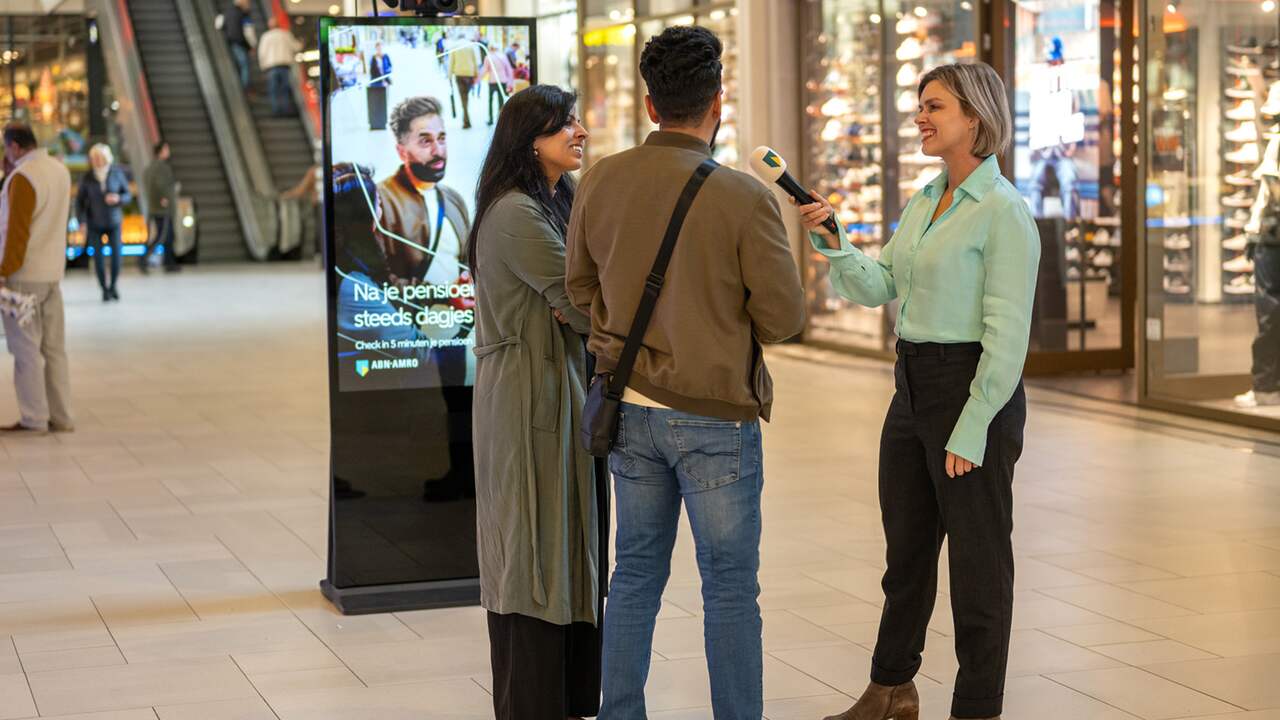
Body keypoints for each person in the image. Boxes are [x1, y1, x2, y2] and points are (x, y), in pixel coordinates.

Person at [565, 26, 805, 720]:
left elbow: (579, 290)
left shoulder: (601, 179)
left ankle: (621, 713)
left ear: (649, 105)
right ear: (717, 104)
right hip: (715, 419)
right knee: (728, 587)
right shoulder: (743, 197)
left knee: (634, 574)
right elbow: (784, 317)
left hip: (627, 411)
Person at [796, 62, 1038, 720]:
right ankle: (891, 688)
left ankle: (976, 709)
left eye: (933, 106)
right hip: (911, 387)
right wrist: (837, 244)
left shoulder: (1004, 213)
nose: (920, 117)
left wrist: (974, 423)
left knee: (978, 569)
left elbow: (1007, 337)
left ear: (975, 119)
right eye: (920, 106)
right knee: (905, 554)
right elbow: (880, 285)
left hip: (971, 391)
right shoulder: (928, 197)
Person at [469, 84, 601, 720]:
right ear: (530, 141)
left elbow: (582, 293)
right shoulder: (515, 212)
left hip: (563, 386)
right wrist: (579, 301)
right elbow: (581, 299)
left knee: (565, 541)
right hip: (526, 396)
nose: (578, 131)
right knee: (531, 546)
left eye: (575, 120)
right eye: (563, 124)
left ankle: (570, 699)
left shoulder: (561, 199)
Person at [0, 123, 74, 435]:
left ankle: (34, 418)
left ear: (15, 147)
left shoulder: (24, 178)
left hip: (23, 278)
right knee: (54, 349)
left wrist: (3, 274)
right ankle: (62, 417)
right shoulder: (59, 171)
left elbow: (17, 233)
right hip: (52, 274)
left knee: (26, 349)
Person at [1238, 140, 1280, 408]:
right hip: (1270, 236)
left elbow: (1272, 190)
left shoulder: (1277, 141)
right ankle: (1266, 386)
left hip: (1273, 238)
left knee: (1270, 312)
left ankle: (1266, 387)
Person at [77, 144, 132, 303]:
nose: (97, 160)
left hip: (113, 221)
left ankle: (113, 285)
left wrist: (118, 199)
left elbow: (127, 194)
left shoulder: (116, 173)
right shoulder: (87, 177)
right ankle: (104, 289)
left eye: (99, 157)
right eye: (94, 158)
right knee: (98, 259)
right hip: (94, 222)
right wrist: (82, 222)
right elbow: (80, 202)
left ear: (106, 158)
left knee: (116, 257)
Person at [141, 141, 179, 273]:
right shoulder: (161, 167)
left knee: (167, 236)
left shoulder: (150, 167)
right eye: (166, 149)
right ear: (161, 150)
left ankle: (169, 262)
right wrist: (163, 198)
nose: (168, 152)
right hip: (162, 208)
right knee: (162, 236)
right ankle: (144, 259)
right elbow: (159, 184)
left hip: (155, 207)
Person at [258, 17, 300, 117]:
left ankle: (276, 110)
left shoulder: (265, 36)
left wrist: (262, 66)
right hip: (284, 66)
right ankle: (286, 109)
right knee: (285, 89)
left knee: (273, 89)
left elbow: (262, 53)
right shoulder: (285, 34)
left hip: (271, 67)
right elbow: (296, 47)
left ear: (269, 25)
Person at [448, 33, 479, 129]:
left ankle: (466, 121)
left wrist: (449, 76)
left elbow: (451, 62)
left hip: (459, 74)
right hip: (469, 74)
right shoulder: (470, 45)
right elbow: (475, 61)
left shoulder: (454, 46)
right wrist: (476, 74)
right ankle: (466, 119)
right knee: (466, 98)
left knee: (463, 98)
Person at [221, 0, 253, 89]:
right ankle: (244, 88)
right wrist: (248, 46)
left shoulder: (228, 12)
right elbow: (243, 32)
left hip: (231, 42)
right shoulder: (240, 14)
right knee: (245, 65)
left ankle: (240, 87)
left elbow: (223, 26)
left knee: (239, 65)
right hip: (239, 43)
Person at [481, 43, 515, 126]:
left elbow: (484, 70)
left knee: (490, 100)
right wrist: (510, 83)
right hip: (503, 81)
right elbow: (509, 70)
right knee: (501, 101)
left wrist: (477, 80)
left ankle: (491, 119)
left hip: (492, 81)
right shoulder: (503, 56)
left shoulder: (488, 57)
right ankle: (500, 119)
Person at [367, 41, 392, 130]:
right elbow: (371, 70)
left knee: (385, 101)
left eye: (380, 47)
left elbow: (390, 67)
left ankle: (384, 119)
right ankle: (377, 120)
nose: (379, 49)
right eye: (378, 47)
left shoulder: (386, 56)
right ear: (376, 48)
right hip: (376, 83)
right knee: (376, 101)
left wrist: (386, 77)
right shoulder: (373, 58)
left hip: (385, 82)